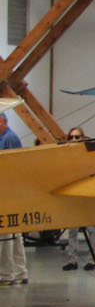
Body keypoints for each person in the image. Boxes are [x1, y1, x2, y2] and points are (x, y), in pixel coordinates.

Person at [59, 128, 95, 272]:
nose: (74, 140)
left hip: (87, 196)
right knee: (72, 230)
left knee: (91, 230)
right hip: (73, 197)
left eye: (77, 137)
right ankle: (72, 260)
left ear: (83, 137)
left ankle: (92, 260)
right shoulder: (66, 156)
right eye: (71, 137)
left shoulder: (89, 154)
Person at [0, 115, 26, 286]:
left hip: (8, 194)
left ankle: (7, 274)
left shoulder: (9, 138)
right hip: (9, 193)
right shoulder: (7, 137)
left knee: (6, 235)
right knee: (15, 236)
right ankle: (20, 271)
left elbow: (12, 167)